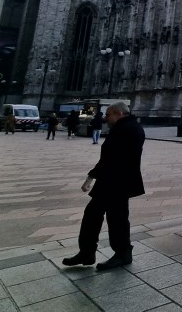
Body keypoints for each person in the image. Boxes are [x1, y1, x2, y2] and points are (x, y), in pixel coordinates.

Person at [62, 102, 145, 270]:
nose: (105, 118)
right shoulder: (129, 127)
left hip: (116, 181)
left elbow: (111, 157)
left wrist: (91, 177)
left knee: (114, 218)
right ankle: (90, 252)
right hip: (114, 180)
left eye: (108, 114)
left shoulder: (126, 129)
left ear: (119, 113)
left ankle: (119, 253)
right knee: (100, 215)